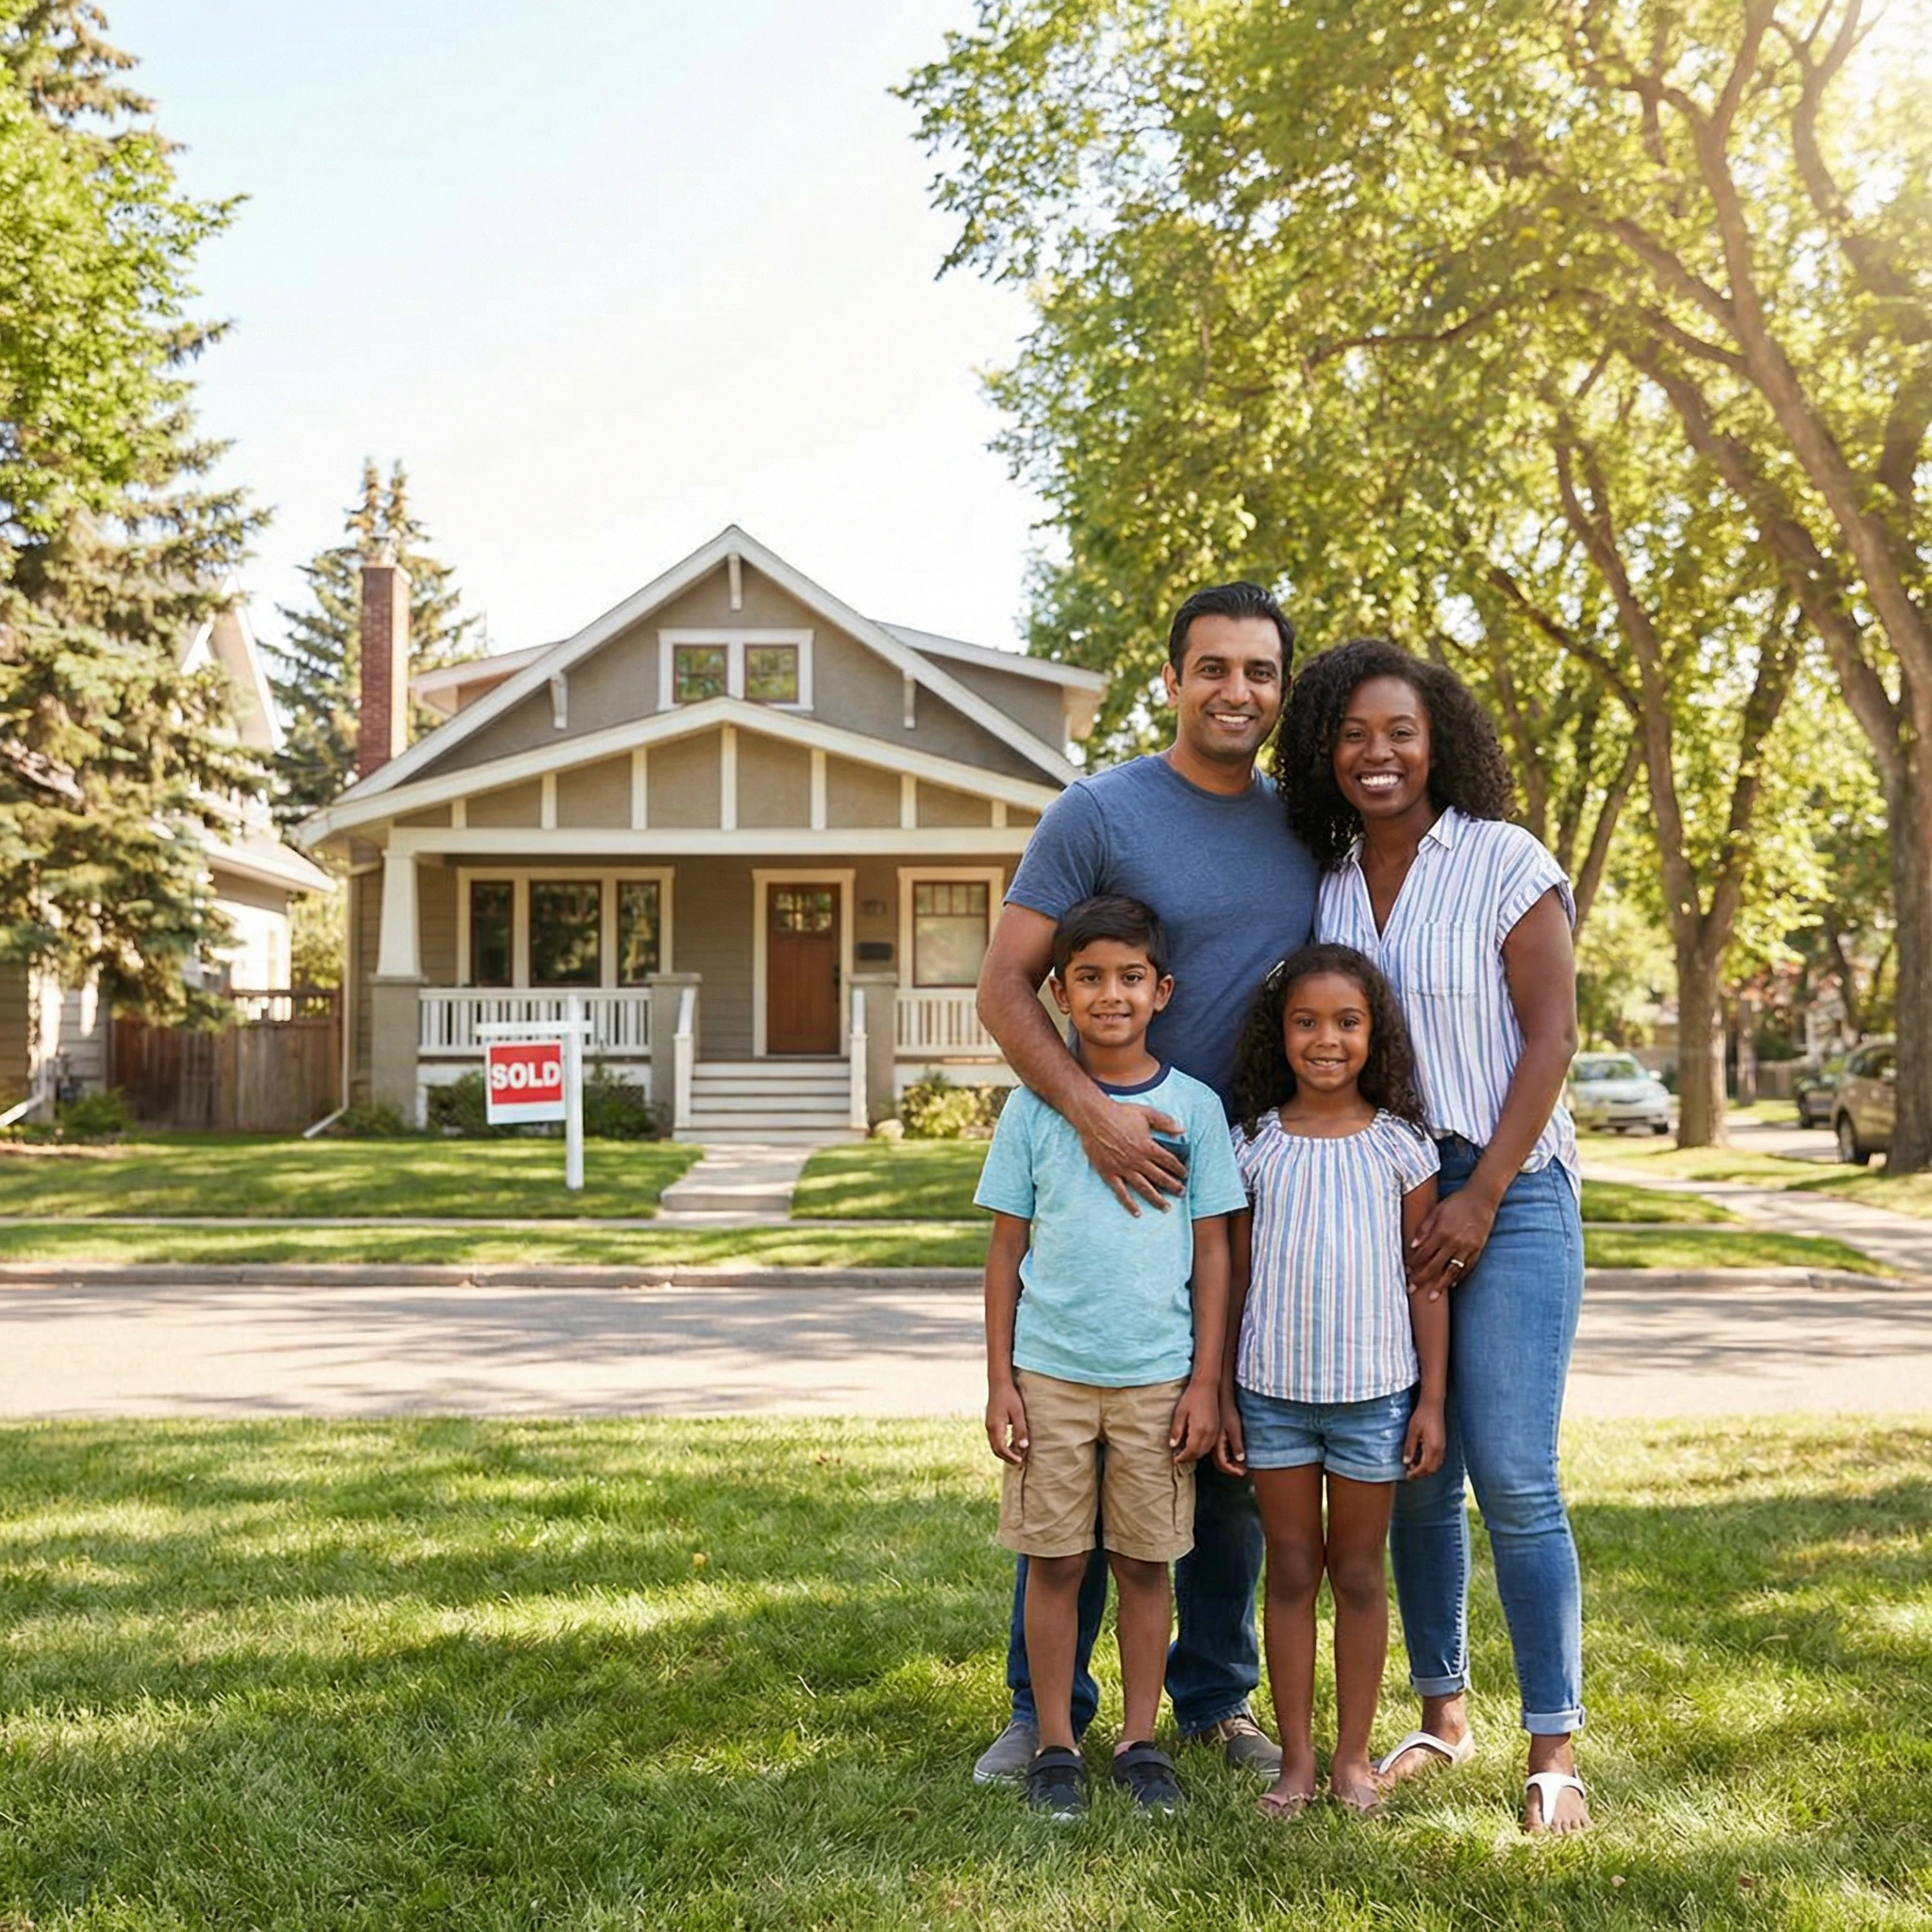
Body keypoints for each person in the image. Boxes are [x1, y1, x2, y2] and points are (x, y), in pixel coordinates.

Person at [972, 581, 1320, 1783]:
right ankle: (1044, 1710)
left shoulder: (1301, 826)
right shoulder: (1097, 812)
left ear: (1281, 689)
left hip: (1248, 1174)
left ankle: (1213, 1698)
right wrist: (1095, 1117)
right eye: (1211, 666)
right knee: (1068, 1449)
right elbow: (1004, 984)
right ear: (1170, 679)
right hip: (1101, 1171)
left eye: (1259, 671)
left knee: (1213, 1441)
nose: (1235, 690)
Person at [1274, 637, 1591, 1835]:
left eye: (1398, 731)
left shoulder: (1505, 859)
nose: (1377, 753)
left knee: (1511, 1472)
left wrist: (1481, 1192)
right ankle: (1442, 1713)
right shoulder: (1328, 883)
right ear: (1324, 751)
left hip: (1512, 1186)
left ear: (1436, 739)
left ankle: (1552, 1747)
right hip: (1387, 1195)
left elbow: (1551, 1039)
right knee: (1416, 1468)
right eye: (1352, 734)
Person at [978, 895, 1246, 1816]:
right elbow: (1004, 1252)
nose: (1109, 994)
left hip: (1156, 1377)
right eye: (1088, 977)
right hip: (1050, 1374)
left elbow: (1214, 1253)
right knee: (1054, 1562)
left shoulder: (1194, 1108)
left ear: (1161, 990)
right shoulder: (1031, 1110)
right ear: (1058, 992)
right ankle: (1056, 1740)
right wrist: (1000, 1381)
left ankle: (1139, 1740)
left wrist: (1206, 1381)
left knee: (1143, 1562)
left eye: (1129, 976)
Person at [1218, 942, 1447, 1817]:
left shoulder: (1402, 1147)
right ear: (1278, 1035)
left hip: (1374, 1399)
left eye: (1347, 1022)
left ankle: (1353, 1760)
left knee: (1356, 1574)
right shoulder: (1252, 1146)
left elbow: (1425, 1282)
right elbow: (1234, 1278)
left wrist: (1430, 1399)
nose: (1326, 1040)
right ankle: (1298, 1762)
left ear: (1373, 1033)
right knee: (1288, 1573)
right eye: (1306, 1022)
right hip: (1272, 1396)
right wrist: (1224, 1392)